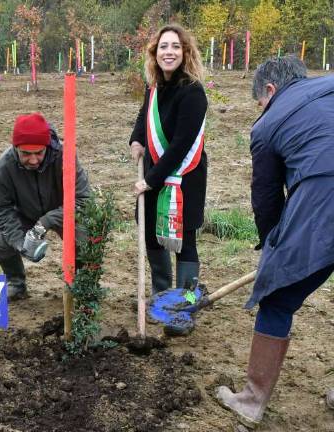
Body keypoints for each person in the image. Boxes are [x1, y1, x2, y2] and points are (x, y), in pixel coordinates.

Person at [215, 56, 334, 427]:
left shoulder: (268, 124)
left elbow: (266, 200)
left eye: (259, 103)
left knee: (278, 298)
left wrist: (273, 249)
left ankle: (251, 401)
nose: (260, 111)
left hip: (324, 199)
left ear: (269, 90)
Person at [129, 24, 207, 297]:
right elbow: (144, 115)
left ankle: (184, 303)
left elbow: (180, 146)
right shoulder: (154, 87)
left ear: (185, 52)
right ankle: (161, 295)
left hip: (185, 175)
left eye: (175, 46)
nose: (169, 52)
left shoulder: (193, 92)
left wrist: (150, 181)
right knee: (150, 230)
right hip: (154, 166)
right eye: (164, 46)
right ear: (155, 52)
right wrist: (136, 139)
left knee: (183, 239)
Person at [0, 113, 90, 300]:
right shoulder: (4, 165)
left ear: (47, 147)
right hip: (25, 213)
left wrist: (47, 221)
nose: (33, 160)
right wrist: (20, 243)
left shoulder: (65, 156)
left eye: (39, 153)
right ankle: (16, 283)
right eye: (26, 154)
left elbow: (82, 200)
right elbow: (2, 209)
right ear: (16, 148)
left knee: (87, 237)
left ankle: (82, 284)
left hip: (63, 212)